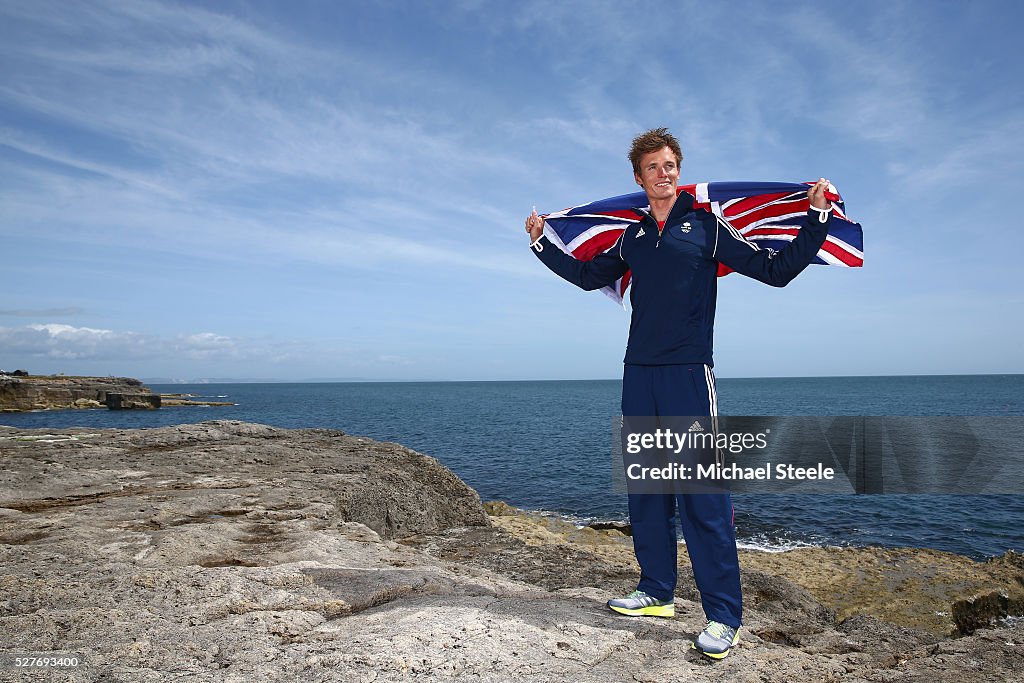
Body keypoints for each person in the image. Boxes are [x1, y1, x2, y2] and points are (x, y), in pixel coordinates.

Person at [525, 128, 832, 660]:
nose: (663, 174)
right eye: (652, 167)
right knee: (646, 492)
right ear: (639, 177)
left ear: (677, 171)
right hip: (638, 373)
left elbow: (775, 271)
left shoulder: (707, 228)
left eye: (670, 165)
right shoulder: (632, 238)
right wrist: (539, 243)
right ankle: (656, 591)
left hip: (689, 374)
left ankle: (723, 616)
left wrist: (816, 219)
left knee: (703, 498)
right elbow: (584, 275)